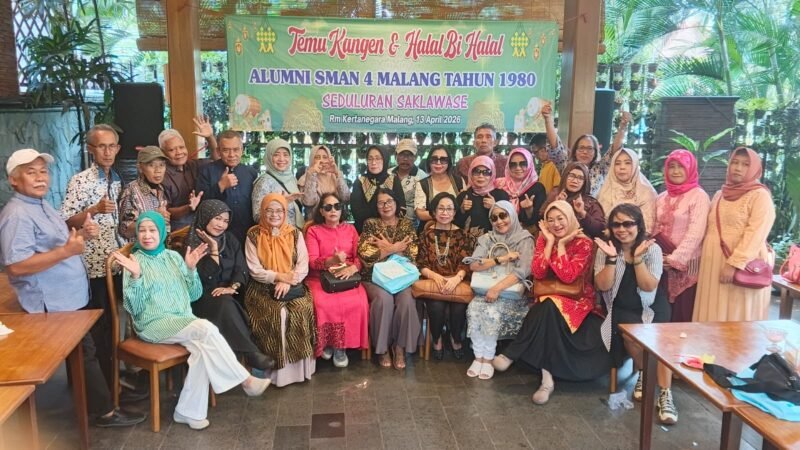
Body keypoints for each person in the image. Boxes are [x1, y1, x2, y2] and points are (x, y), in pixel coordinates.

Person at [0, 148, 145, 427]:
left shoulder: (40, 204)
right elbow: (15, 266)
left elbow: (56, 242)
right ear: (14, 181)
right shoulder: (17, 214)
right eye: (31, 172)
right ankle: (103, 412)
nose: (40, 177)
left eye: (43, 171)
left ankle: (93, 398)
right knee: (86, 352)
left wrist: (80, 235)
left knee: (84, 353)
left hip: (69, 296)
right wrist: (67, 252)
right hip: (52, 302)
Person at [112, 212, 270, 430]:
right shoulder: (134, 262)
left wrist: (191, 269)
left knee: (202, 350)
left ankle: (187, 412)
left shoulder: (173, 257)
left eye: (152, 230)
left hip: (182, 319)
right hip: (152, 324)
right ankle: (245, 380)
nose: (147, 235)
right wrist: (137, 277)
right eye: (142, 230)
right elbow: (134, 308)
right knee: (206, 328)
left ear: (162, 232)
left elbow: (194, 294)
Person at [493, 201, 611, 404]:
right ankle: (546, 381)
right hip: (549, 297)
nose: (555, 224)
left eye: (560, 218)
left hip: (576, 301)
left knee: (546, 309)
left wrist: (562, 245)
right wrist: (548, 243)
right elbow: (538, 272)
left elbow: (568, 276)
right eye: (550, 220)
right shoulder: (544, 238)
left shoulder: (584, 243)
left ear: (570, 218)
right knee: (548, 308)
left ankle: (514, 355)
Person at [61, 124, 127, 384]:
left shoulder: (117, 178)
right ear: (91, 149)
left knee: (115, 324)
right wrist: (95, 209)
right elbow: (66, 221)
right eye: (102, 146)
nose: (108, 151)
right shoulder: (80, 181)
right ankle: (103, 387)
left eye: (112, 146)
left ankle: (116, 380)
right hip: (93, 268)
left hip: (115, 263)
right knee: (100, 327)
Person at [594, 204, 672, 422]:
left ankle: (666, 394)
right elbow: (602, 285)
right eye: (616, 224)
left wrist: (637, 259)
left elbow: (649, 286)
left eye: (628, 223)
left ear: (639, 225)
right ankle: (645, 374)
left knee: (660, 340)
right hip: (622, 308)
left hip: (652, 305)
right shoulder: (606, 248)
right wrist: (610, 259)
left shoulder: (652, 249)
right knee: (631, 335)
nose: (622, 229)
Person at [184, 199, 274, 370]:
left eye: (225, 221)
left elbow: (241, 268)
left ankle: (245, 358)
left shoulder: (230, 239)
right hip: (201, 297)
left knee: (240, 300)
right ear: (206, 216)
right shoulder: (191, 243)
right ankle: (251, 354)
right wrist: (214, 250)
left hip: (230, 294)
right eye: (217, 218)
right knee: (224, 302)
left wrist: (233, 287)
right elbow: (204, 280)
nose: (221, 225)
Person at [693, 147, 776, 322]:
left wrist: (734, 264)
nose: (738, 168)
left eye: (745, 164)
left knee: (735, 313)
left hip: (739, 264)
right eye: (735, 163)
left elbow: (756, 233)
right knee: (713, 311)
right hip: (713, 263)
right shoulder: (720, 195)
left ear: (754, 169)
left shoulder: (760, 196)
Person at [244, 194, 316, 386]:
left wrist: (288, 281)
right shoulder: (253, 234)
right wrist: (277, 277)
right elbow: (254, 270)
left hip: (292, 285)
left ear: (285, 212)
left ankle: (298, 371)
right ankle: (276, 373)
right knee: (278, 313)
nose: (274, 215)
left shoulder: (295, 233)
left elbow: (303, 265)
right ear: (262, 211)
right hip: (262, 288)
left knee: (300, 309)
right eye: (270, 210)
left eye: (279, 210)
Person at [465, 200, 533, 380]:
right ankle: (478, 357)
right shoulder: (487, 238)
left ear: (513, 215)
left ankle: (488, 359)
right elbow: (473, 264)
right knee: (474, 309)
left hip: (510, 293)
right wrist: (501, 259)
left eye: (503, 215)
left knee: (492, 313)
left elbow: (523, 270)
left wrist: (497, 288)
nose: (499, 221)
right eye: (494, 218)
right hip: (485, 291)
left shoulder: (524, 239)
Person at [305, 193, 369, 368]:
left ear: (342, 210)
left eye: (337, 206)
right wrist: (331, 261)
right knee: (322, 303)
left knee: (358, 302)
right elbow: (311, 261)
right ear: (322, 211)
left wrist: (354, 267)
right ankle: (328, 343)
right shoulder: (313, 231)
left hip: (348, 277)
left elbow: (360, 256)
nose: (333, 210)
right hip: (321, 277)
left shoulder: (350, 229)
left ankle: (341, 347)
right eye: (328, 207)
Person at [357, 188, 420, 370]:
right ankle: (382, 348)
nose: (385, 206)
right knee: (383, 299)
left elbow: (412, 253)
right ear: (376, 206)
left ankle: (399, 348)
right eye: (381, 202)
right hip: (375, 277)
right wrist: (396, 248)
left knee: (407, 300)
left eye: (389, 201)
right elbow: (366, 254)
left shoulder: (407, 225)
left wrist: (385, 248)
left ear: (397, 203)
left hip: (401, 277)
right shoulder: (370, 224)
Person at [416, 192, 475, 360]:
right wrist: (436, 277)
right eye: (440, 208)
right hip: (432, 280)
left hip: (457, 281)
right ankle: (437, 338)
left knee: (458, 308)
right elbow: (420, 263)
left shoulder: (463, 235)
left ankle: (455, 338)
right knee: (436, 306)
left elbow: (467, 262)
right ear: (433, 212)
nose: (445, 212)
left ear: (455, 212)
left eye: (449, 209)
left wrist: (456, 278)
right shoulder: (426, 235)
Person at [654, 150, 710, 323]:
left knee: (684, 311)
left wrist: (675, 259)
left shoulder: (699, 196)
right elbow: (654, 227)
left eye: (681, 167)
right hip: (662, 263)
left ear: (690, 169)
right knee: (663, 313)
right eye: (672, 166)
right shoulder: (661, 197)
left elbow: (696, 232)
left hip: (688, 265)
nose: (676, 171)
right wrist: (658, 257)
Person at [197, 130, 258, 242]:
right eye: (226, 150)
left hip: (246, 233)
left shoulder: (251, 173)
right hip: (217, 234)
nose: (231, 155)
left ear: (242, 150)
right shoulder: (207, 171)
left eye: (236, 150)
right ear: (218, 151)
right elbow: (201, 205)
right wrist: (220, 186)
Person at [552, 112, 631, 197]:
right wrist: (547, 119)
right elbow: (556, 148)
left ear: (595, 152)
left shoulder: (600, 169)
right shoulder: (566, 166)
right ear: (575, 151)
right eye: (581, 148)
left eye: (589, 149)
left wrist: (622, 127)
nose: (585, 152)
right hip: (567, 207)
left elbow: (614, 151)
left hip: (593, 209)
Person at [159, 116, 217, 230]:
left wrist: (210, 137)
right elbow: (166, 211)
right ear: (163, 153)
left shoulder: (193, 165)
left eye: (181, 147)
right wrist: (189, 207)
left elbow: (217, 160)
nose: (179, 152)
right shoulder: (161, 175)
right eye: (172, 150)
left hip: (201, 222)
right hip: (178, 228)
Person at [597, 148, 658, 233]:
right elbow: (598, 223)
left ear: (635, 165)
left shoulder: (646, 191)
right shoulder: (605, 189)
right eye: (617, 163)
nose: (622, 167)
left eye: (628, 163)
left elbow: (647, 228)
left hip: (637, 241)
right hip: (606, 239)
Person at [118, 145, 171, 240]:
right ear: (140, 168)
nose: (158, 170)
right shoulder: (131, 191)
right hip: (138, 251)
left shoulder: (160, 189)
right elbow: (125, 231)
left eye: (161, 165)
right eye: (151, 165)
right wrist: (153, 218)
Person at [541, 162, 607, 239]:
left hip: (580, 246)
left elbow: (601, 231)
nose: (575, 181)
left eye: (580, 178)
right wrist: (557, 204)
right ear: (565, 176)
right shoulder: (554, 195)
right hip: (552, 244)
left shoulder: (590, 203)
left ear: (585, 182)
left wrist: (582, 213)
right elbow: (540, 223)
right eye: (571, 176)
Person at [350, 145, 405, 233]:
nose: (374, 162)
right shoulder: (360, 182)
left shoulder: (393, 180)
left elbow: (402, 208)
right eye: (370, 159)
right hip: (365, 232)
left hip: (392, 232)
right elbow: (357, 213)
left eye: (378, 158)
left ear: (385, 160)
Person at [252, 138, 304, 228]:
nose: (281, 159)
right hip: (275, 237)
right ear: (269, 156)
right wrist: (281, 202)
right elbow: (257, 216)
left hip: (293, 234)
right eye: (276, 155)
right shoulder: (264, 182)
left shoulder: (291, 179)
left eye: (285, 155)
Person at [454, 156, 509, 234]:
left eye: (486, 172)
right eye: (476, 172)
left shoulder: (501, 195)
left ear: (492, 174)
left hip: (496, 243)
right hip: (468, 243)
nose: (481, 176)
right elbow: (455, 225)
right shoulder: (463, 196)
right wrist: (462, 211)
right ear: (470, 174)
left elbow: (509, 223)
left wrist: (495, 207)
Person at [414, 146, 463, 230]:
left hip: (455, 231)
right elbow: (420, 213)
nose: (438, 163)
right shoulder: (423, 184)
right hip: (429, 231)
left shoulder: (459, 181)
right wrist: (444, 215)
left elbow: (463, 207)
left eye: (443, 159)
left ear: (449, 162)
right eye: (434, 159)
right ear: (429, 161)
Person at [496, 147, 546, 230]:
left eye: (523, 164)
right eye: (513, 164)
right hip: (500, 234)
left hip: (526, 236)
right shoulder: (499, 184)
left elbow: (539, 220)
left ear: (530, 164)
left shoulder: (537, 188)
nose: (518, 168)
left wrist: (529, 210)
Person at [298, 144, 350, 215]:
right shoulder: (304, 179)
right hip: (314, 223)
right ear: (311, 160)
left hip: (335, 222)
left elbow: (346, 198)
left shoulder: (334, 176)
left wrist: (337, 174)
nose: (321, 161)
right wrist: (312, 174)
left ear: (329, 159)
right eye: (317, 157)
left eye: (325, 157)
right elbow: (309, 202)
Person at [388, 138, 427, 224]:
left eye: (409, 155)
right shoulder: (388, 174)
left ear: (415, 157)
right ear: (395, 155)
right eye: (402, 154)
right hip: (387, 223)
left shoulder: (422, 177)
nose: (405, 159)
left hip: (412, 226)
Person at [531, 103, 563, 193]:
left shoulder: (555, 165)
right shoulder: (543, 166)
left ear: (544, 150)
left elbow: (556, 189)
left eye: (536, 152)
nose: (535, 156)